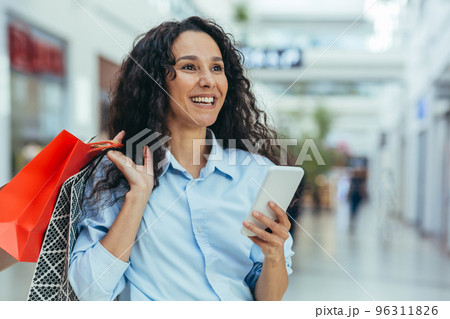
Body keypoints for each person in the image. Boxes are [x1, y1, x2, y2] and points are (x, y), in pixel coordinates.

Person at [69, 16, 295, 301]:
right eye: (189, 67)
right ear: (156, 81)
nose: (208, 81)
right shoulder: (119, 171)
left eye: (217, 68)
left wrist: (274, 255)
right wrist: (138, 198)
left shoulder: (256, 173)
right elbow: (89, 291)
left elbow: (269, 301)